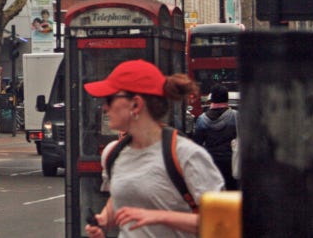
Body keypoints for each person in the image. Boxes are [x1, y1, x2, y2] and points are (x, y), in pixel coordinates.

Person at [83, 60, 224, 238]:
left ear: (136, 104)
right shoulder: (112, 154)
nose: (105, 107)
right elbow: (122, 199)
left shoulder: (186, 155)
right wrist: (103, 221)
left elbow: (221, 223)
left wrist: (160, 217)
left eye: (110, 99)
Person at [193, 83, 238, 189]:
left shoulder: (201, 119)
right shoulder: (235, 116)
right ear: (226, 98)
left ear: (212, 99)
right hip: (231, 162)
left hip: (211, 163)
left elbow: (197, 144)